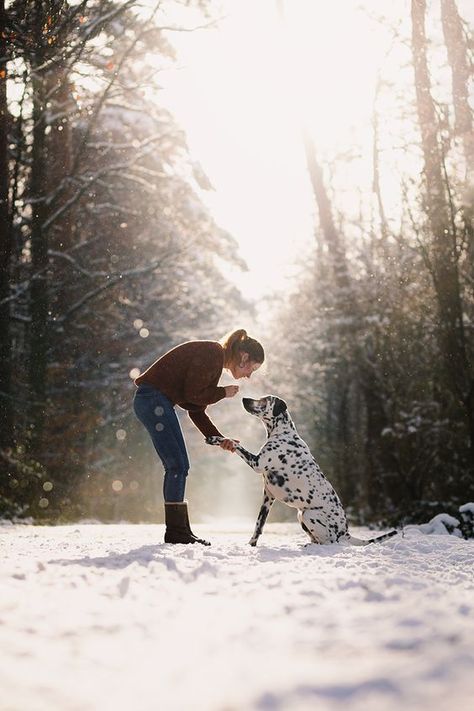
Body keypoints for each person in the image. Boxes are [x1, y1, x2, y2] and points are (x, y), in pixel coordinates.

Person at [133, 328, 265, 546]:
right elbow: (193, 395)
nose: (249, 375)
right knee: (177, 465)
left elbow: (195, 408)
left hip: (155, 401)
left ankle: (180, 530)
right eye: (252, 368)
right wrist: (224, 392)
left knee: (179, 465)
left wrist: (219, 438)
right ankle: (176, 532)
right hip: (152, 400)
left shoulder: (214, 359)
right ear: (243, 357)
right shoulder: (212, 353)